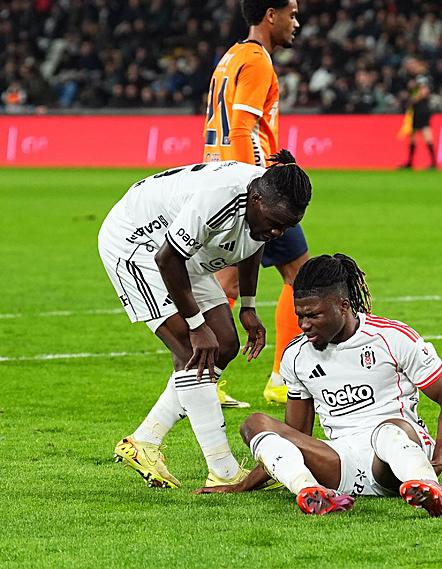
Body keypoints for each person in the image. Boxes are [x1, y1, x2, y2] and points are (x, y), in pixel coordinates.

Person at [99, 151, 312, 489]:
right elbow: (167, 259)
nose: (278, 231)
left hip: (181, 248)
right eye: (275, 222)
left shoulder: (264, 205)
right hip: (139, 244)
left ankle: (144, 441)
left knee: (225, 344)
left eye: (286, 226)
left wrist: (248, 306)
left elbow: (255, 241)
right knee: (191, 349)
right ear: (255, 199)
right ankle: (222, 470)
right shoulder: (218, 199)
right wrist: (197, 326)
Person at [194, 254, 442, 517]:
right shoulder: (296, 355)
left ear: (343, 305)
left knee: (388, 431)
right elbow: (294, 435)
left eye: (314, 315)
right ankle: (310, 491)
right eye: (300, 316)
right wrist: (243, 485)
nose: (304, 325)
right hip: (343, 464)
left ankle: (426, 483)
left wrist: (439, 459)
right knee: (255, 423)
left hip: (396, 461)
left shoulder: (392, 338)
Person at [202, 0, 308, 407]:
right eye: (292, 14)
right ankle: (282, 377)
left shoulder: (230, 57)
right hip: (254, 192)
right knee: (299, 275)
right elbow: (242, 128)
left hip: (222, 180)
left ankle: (204, 378)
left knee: (227, 283)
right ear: (271, 15)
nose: (296, 23)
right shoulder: (259, 61)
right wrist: (257, 188)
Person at [399, 57, 437, 169]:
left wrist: (412, 100)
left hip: (421, 107)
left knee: (425, 132)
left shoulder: (421, 76)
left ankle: (432, 162)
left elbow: (424, 92)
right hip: (420, 108)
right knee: (414, 134)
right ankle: (412, 162)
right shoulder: (421, 76)